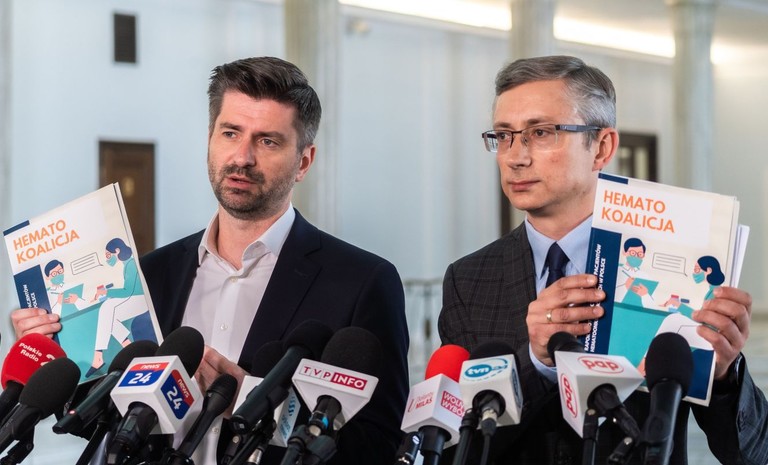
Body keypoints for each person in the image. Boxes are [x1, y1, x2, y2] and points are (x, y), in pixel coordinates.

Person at [11, 56, 409, 465]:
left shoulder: (362, 283)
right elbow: (101, 420)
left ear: (303, 162)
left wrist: (253, 404)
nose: (243, 157)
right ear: (210, 139)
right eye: (230, 133)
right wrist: (59, 350)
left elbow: (378, 445)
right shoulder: (153, 274)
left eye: (268, 141)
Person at [438, 55, 768, 464]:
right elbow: (458, 446)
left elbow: (754, 453)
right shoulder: (469, 280)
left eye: (540, 133)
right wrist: (535, 363)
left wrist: (725, 376)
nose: (515, 157)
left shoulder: (674, 266)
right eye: (504, 135)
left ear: (602, 147)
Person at [87, 237, 153, 378]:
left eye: (108, 255)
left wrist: (106, 292)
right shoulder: (126, 264)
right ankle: (128, 348)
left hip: (140, 300)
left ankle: (98, 357)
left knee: (107, 309)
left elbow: (128, 291)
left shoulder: (131, 264)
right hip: (134, 298)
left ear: (117, 251)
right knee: (108, 313)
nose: (107, 259)